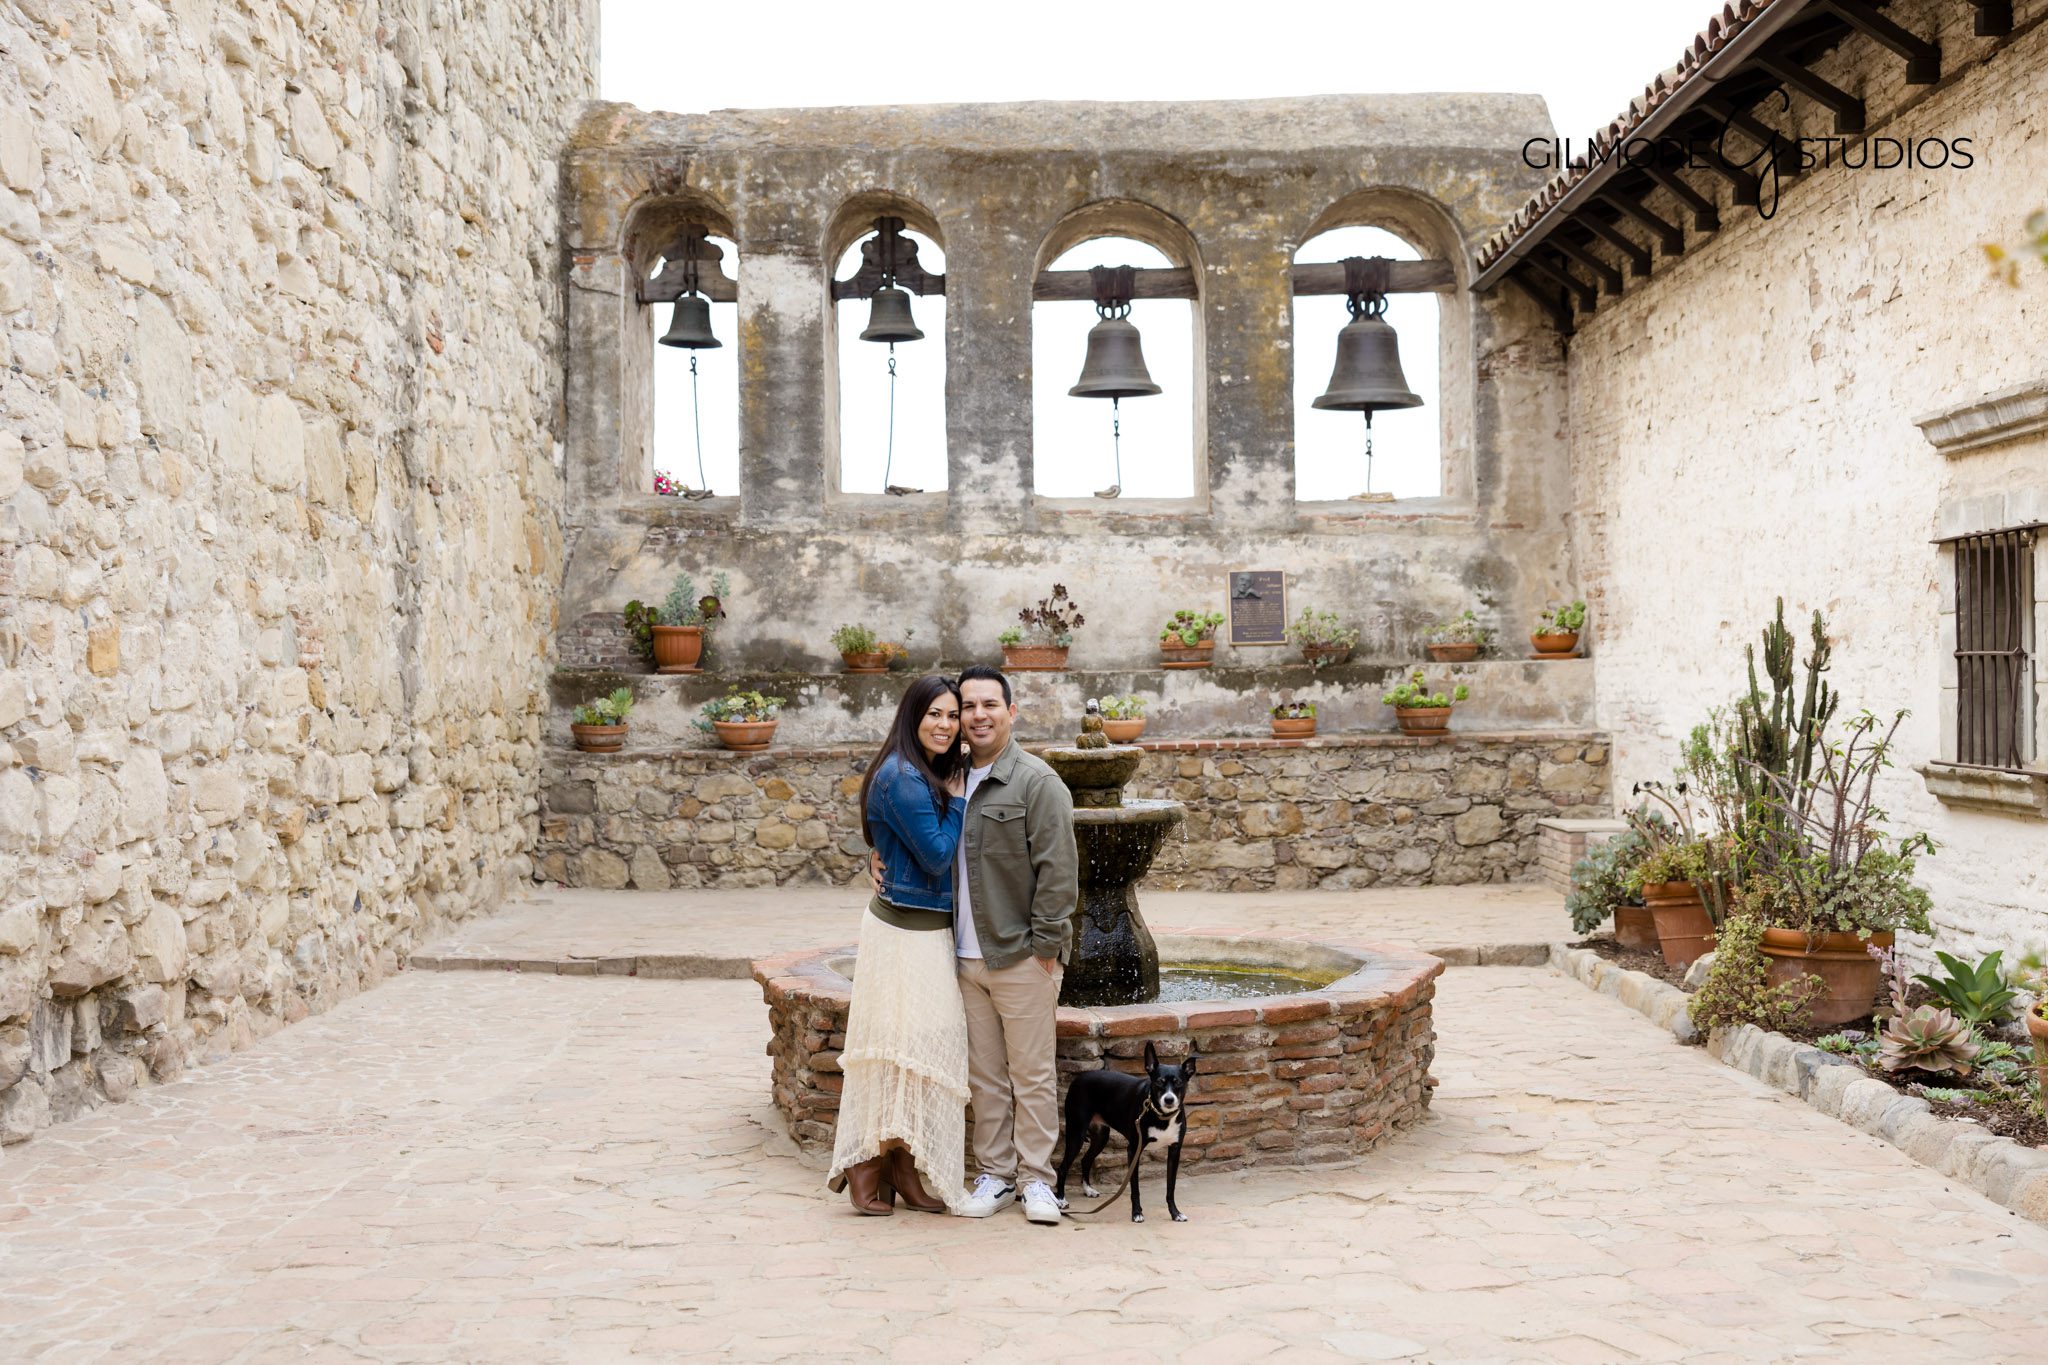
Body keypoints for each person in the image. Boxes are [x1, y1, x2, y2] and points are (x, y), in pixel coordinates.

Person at [930, 664, 1080, 1225]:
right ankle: (995, 1175)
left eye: (989, 704)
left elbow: (1059, 874)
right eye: (967, 707)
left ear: (1011, 712)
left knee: (1032, 1074)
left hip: (1019, 957)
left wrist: (1045, 951)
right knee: (985, 1077)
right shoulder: (947, 780)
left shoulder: (1037, 783)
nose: (977, 715)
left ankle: (1038, 1181)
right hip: (964, 958)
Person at [827, 675, 971, 1216]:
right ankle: (865, 1164)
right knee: (889, 1049)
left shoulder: (926, 772)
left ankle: (904, 1166)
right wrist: (956, 802)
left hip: (929, 933)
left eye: (952, 715)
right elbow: (936, 856)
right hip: (899, 936)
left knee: (920, 1049)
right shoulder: (904, 776)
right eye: (935, 713)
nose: (946, 724)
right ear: (913, 717)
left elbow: (888, 841)